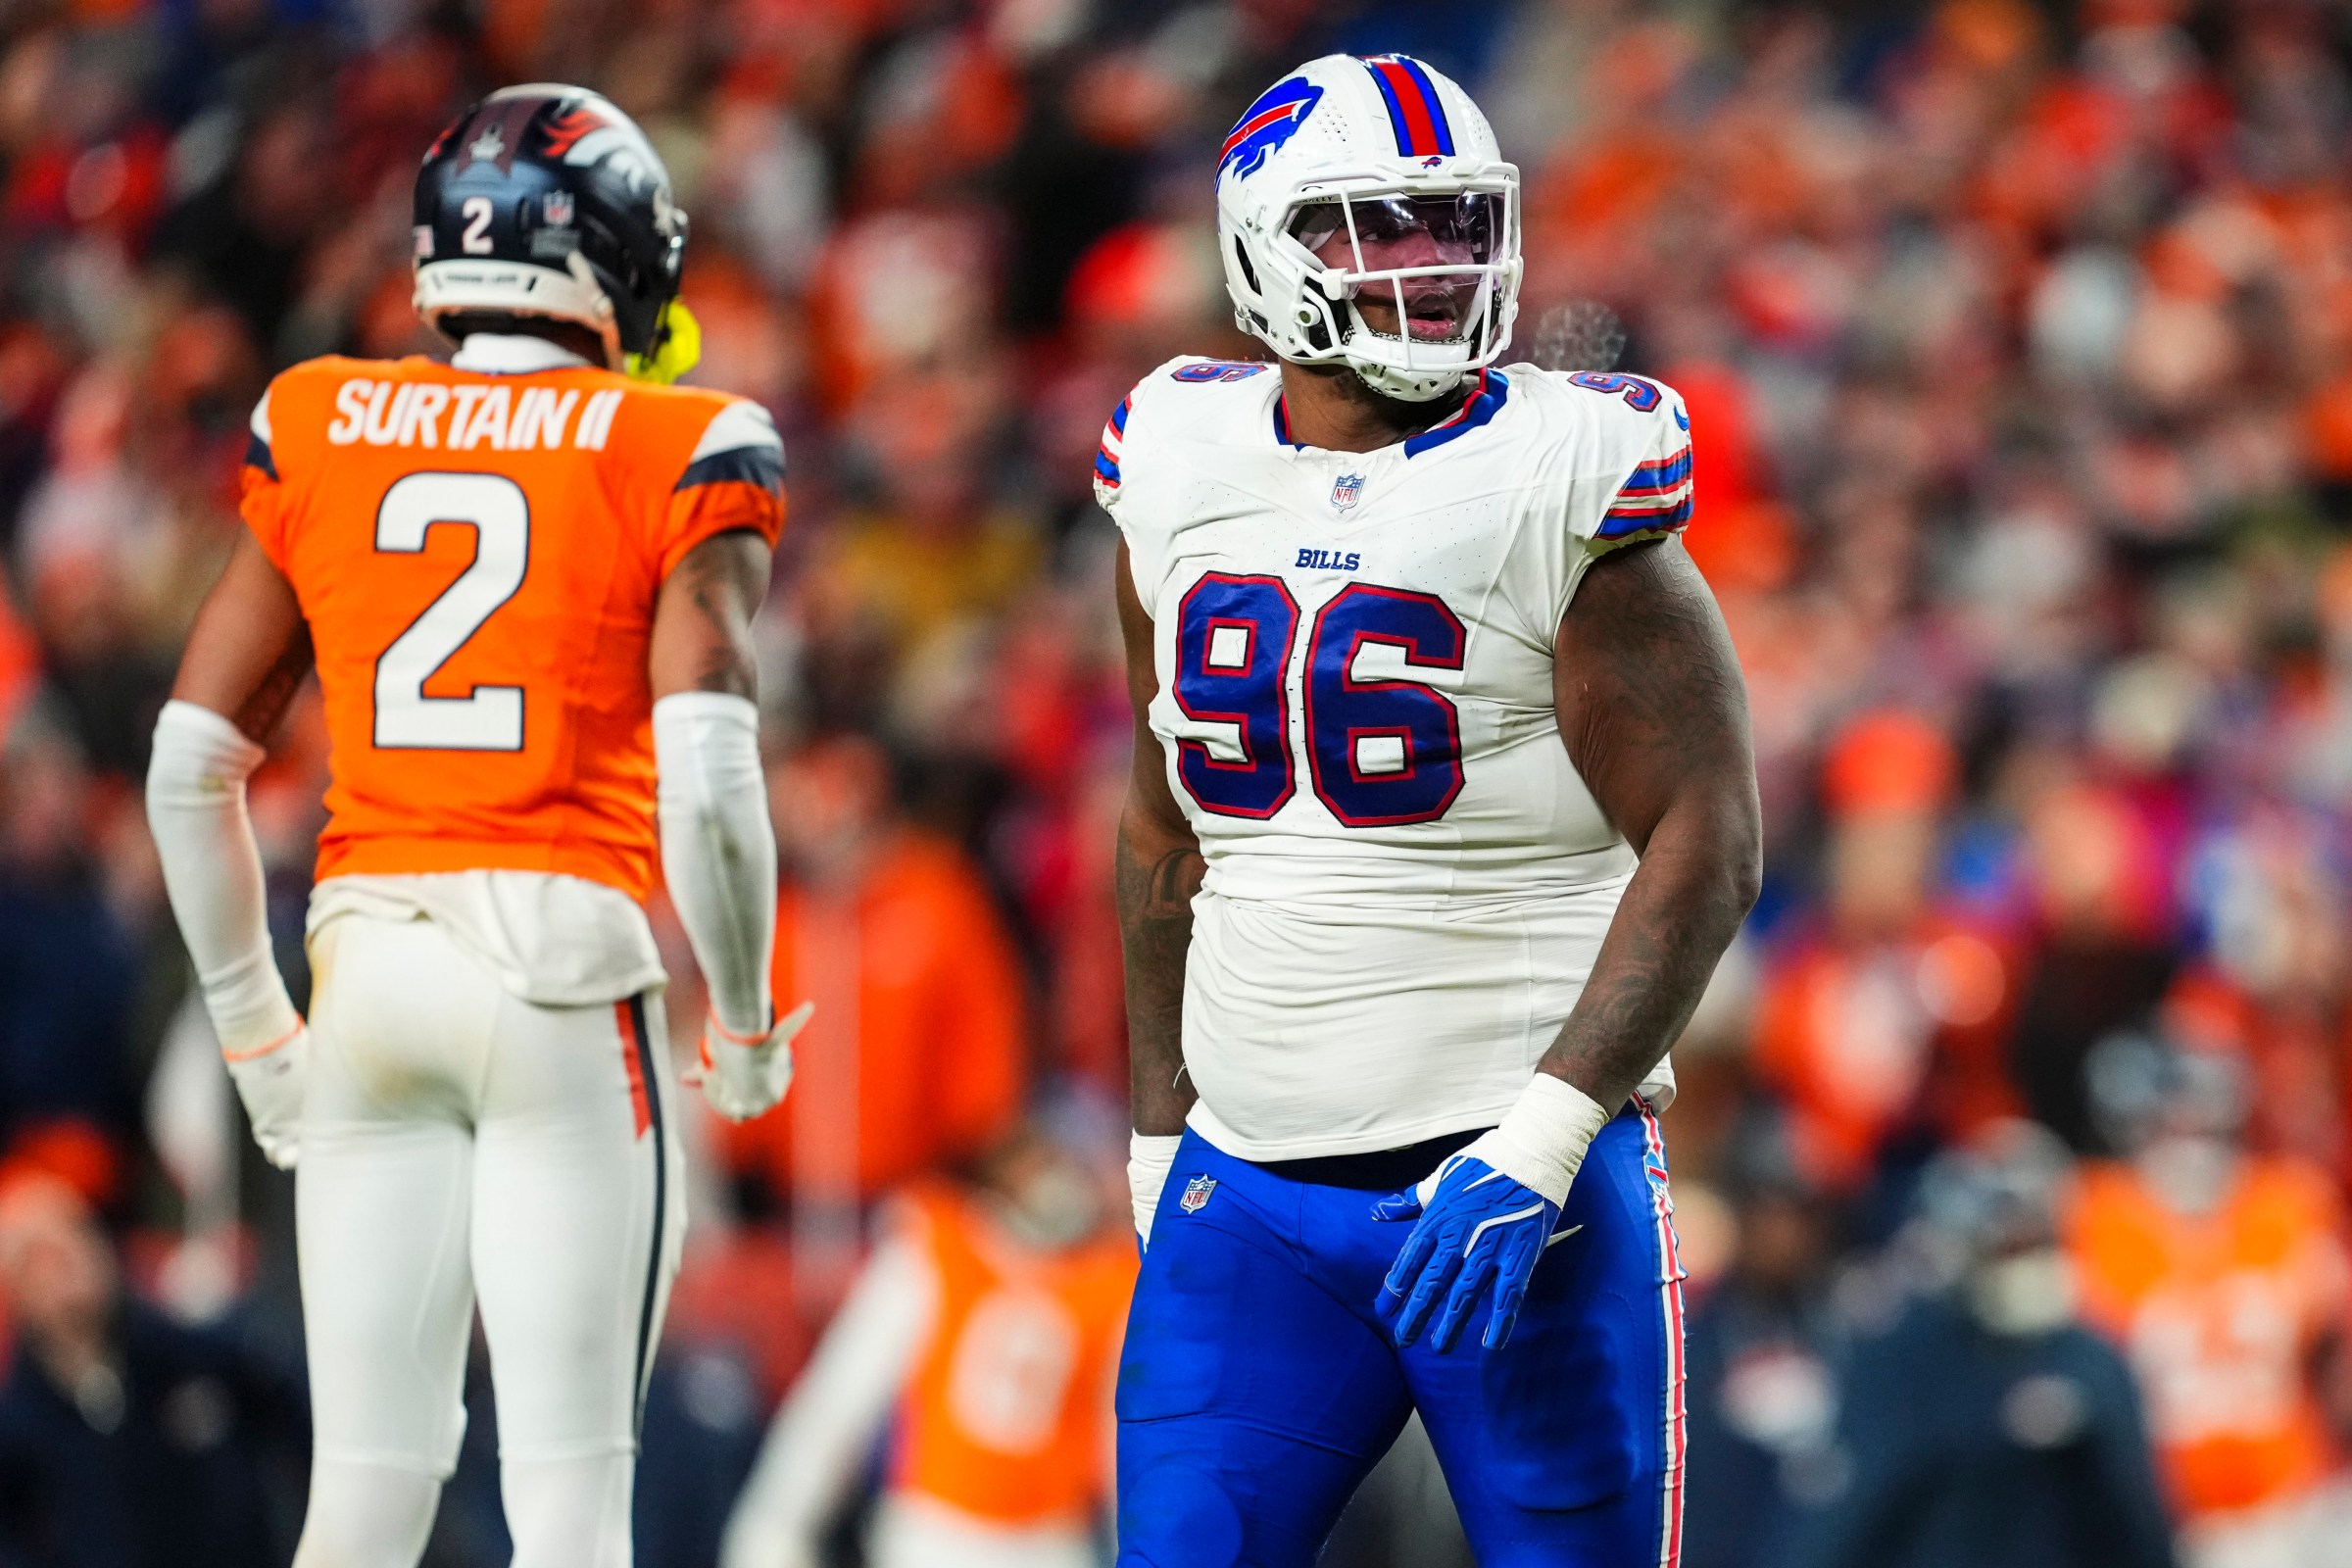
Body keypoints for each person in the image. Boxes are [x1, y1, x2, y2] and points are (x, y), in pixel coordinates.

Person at [1102, 53, 1761, 1567]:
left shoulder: (1561, 469)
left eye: (1453, 223)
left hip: (1515, 1199)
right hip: (1248, 1195)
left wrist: (1543, 1139)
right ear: (1266, 248)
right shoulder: (1177, 453)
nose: (1430, 266)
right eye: (1375, 230)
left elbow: (1710, 834)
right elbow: (1159, 829)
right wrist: (1156, 1137)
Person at [142, 85, 803, 1568]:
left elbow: (189, 762)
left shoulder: (319, 414)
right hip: (564, 976)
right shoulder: (683, 437)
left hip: (368, 975)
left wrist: (258, 1036)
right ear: (620, 253)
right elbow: (707, 769)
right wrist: (751, 1018)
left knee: (361, 1499)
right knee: (571, 1510)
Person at [719, 1120, 1135, 1568]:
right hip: (935, 1534)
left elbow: (1123, 1456)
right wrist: (776, 1526)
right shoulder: (935, 1252)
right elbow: (838, 1403)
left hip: (1044, 1541)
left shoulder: (1110, 1285)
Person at [1766, 1121, 2177, 1568]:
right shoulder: (1903, 1359)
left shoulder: (2093, 1360)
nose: (2024, 1265)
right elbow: (1849, 1515)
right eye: (2006, 1248)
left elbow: (2144, 1529)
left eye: (2036, 1243)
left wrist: (2088, 1437)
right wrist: (1990, 1424)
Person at [2067, 1032, 2352, 1568]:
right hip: (2167, 1516)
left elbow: (2339, 1360)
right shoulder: (2092, 1216)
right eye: (2168, 1126)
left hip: (2296, 1505)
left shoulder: (2289, 1203)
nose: (2188, 1144)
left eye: (2201, 1124)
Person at [0, 1173, 309, 1568]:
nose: (69, 1262)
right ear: (16, 1287)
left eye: (79, 1236)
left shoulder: (195, 1357)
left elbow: (296, 1414)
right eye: (41, 1256)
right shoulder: (19, 1420)